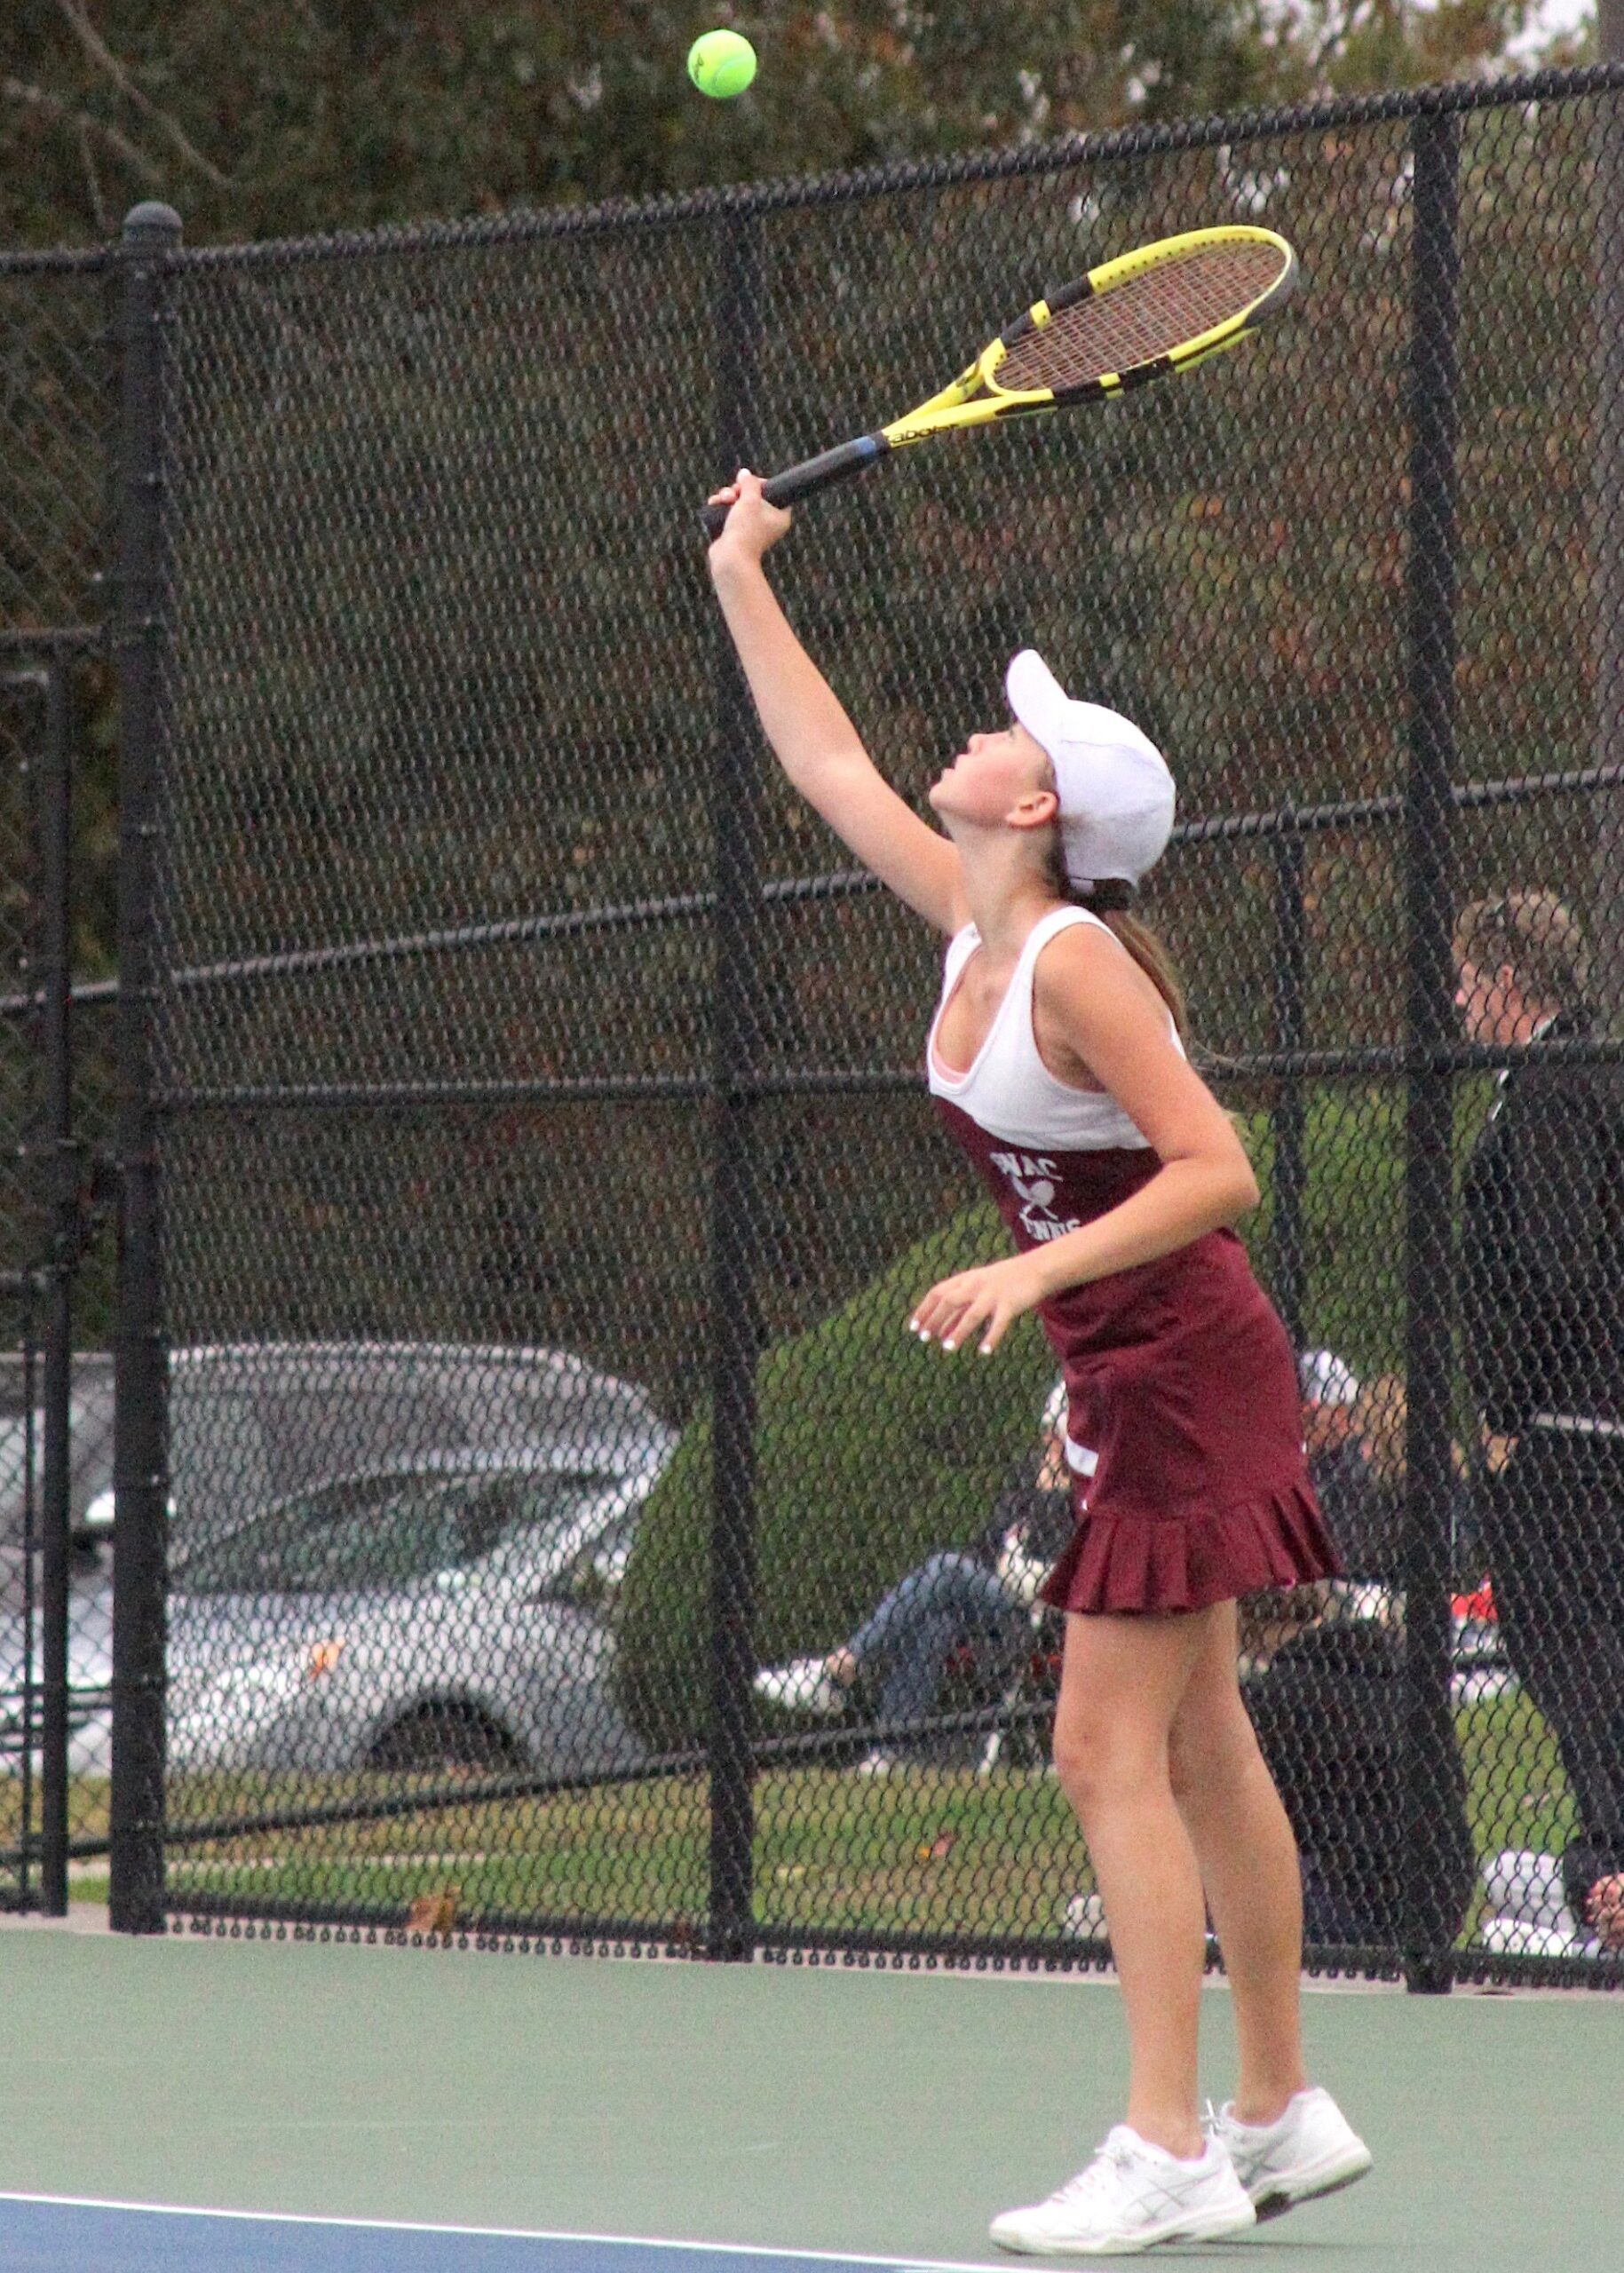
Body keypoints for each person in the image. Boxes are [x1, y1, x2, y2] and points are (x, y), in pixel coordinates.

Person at [707, 470, 1371, 2256]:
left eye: (1016, 735)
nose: (980, 738)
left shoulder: (1075, 961)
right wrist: (738, 571)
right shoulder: (970, 914)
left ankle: (1164, 2145)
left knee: (1099, 1751)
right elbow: (824, 762)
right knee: (1202, 1731)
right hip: (1134, 1360)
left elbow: (1215, 1164)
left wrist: (1032, 1278)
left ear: (1043, 805)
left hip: (1173, 1361)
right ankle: (1277, 2105)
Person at [1455, 890, 1624, 1956]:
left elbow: (1559, 1268)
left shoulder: (1556, 1095)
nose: (1459, 1001)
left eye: (1470, 980)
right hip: (1580, 1421)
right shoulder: (1570, 1083)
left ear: (1511, 985)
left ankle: (1607, 1863)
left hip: (1568, 1433)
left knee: (1574, 1650)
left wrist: (1511, 1412)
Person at [752, 1380, 1077, 1772]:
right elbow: (988, 1543)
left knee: (945, 1569)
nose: (1047, 1442)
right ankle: (889, 1753)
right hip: (994, 1599)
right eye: (1046, 1432)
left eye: (1055, 1434)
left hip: (1042, 1613)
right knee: (938, 1620)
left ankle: (840, 1669)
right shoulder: (1028, 1472)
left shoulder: (1078, 1490)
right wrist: (998, 1560)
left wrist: (1051, 1495)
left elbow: (1058, 1557)